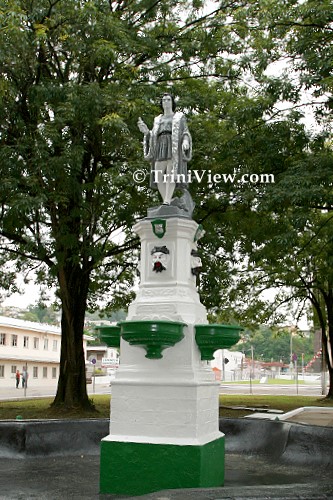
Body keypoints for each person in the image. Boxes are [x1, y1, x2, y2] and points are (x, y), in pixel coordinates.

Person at [138, 93, 192, 205]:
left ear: (172, 102)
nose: (166, 102)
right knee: (158, 175)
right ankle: (166, 200)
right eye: (163, 100)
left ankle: (167, 201)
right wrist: (146, 132)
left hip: (173, 145)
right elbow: (153, 134)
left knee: (170, 175)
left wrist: (186, 141)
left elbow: (185, 131)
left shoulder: (179, 117)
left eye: (168, 100)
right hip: (160, 145)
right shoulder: (157, 119)